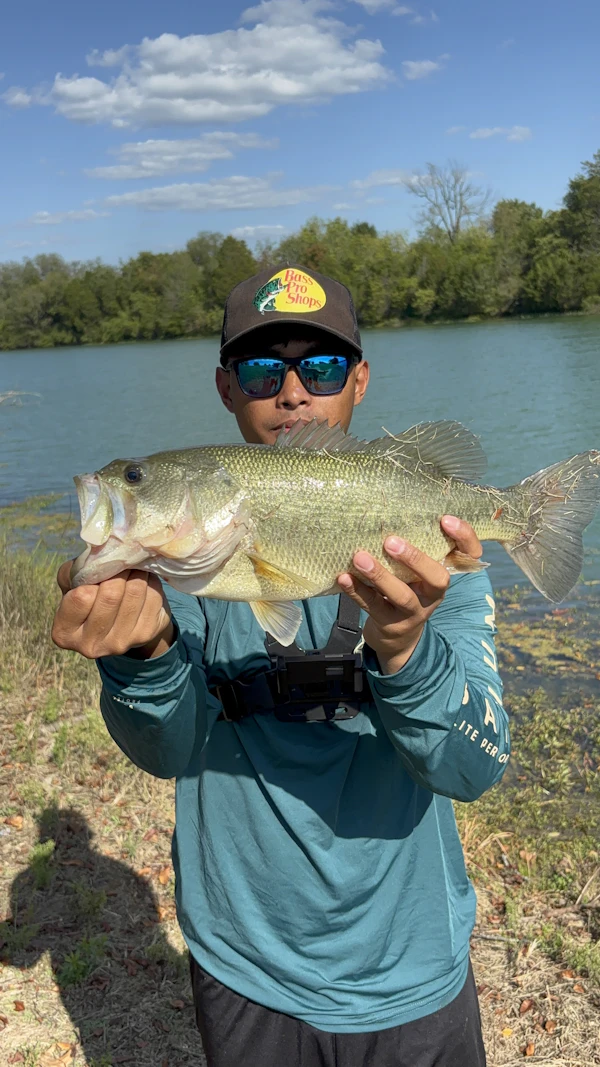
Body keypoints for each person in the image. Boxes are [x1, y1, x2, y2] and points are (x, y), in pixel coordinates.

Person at [52, 264, 510, 1067]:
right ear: (227, 388)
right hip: (245, 964)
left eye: (322, 367)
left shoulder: (444, 563)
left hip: (411, 970)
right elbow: (166, 749)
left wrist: (407, 647)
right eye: (264, 369)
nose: (293, 393)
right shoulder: (184, 574)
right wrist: (144, 654)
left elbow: (475, 766)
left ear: (360, 380)